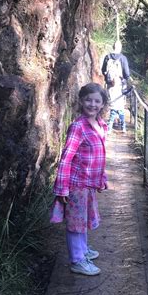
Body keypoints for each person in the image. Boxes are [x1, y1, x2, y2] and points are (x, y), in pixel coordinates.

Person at [50, 83, 108, 276]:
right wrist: (62, 189)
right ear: (81, 101)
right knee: (76, 221)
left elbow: (100, 155)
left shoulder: (101, 125)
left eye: (97, 101)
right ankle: (77, 259)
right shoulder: (78, 127)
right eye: (88, 100)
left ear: (102, 104)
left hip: (89, 183)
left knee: (82, 219)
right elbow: (66, 158)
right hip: (76, 184)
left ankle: (82, 250)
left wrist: (102, 177)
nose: (92, 104)